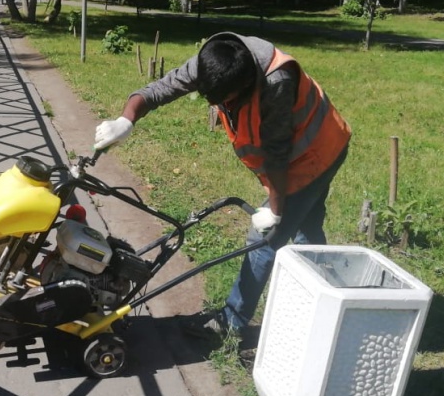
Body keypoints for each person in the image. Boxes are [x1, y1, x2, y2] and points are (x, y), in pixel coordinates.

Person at [93, 32, 351, 337]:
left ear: (244, 86)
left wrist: (277, 210)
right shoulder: (215, 60)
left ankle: (231, 321)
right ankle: (329, 306)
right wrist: (127, 119)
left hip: (313, 154)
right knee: (307, 232)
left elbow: (277, 154)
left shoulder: (275, 83)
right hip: (319, 140)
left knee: (264, 237)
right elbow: (160, 89)